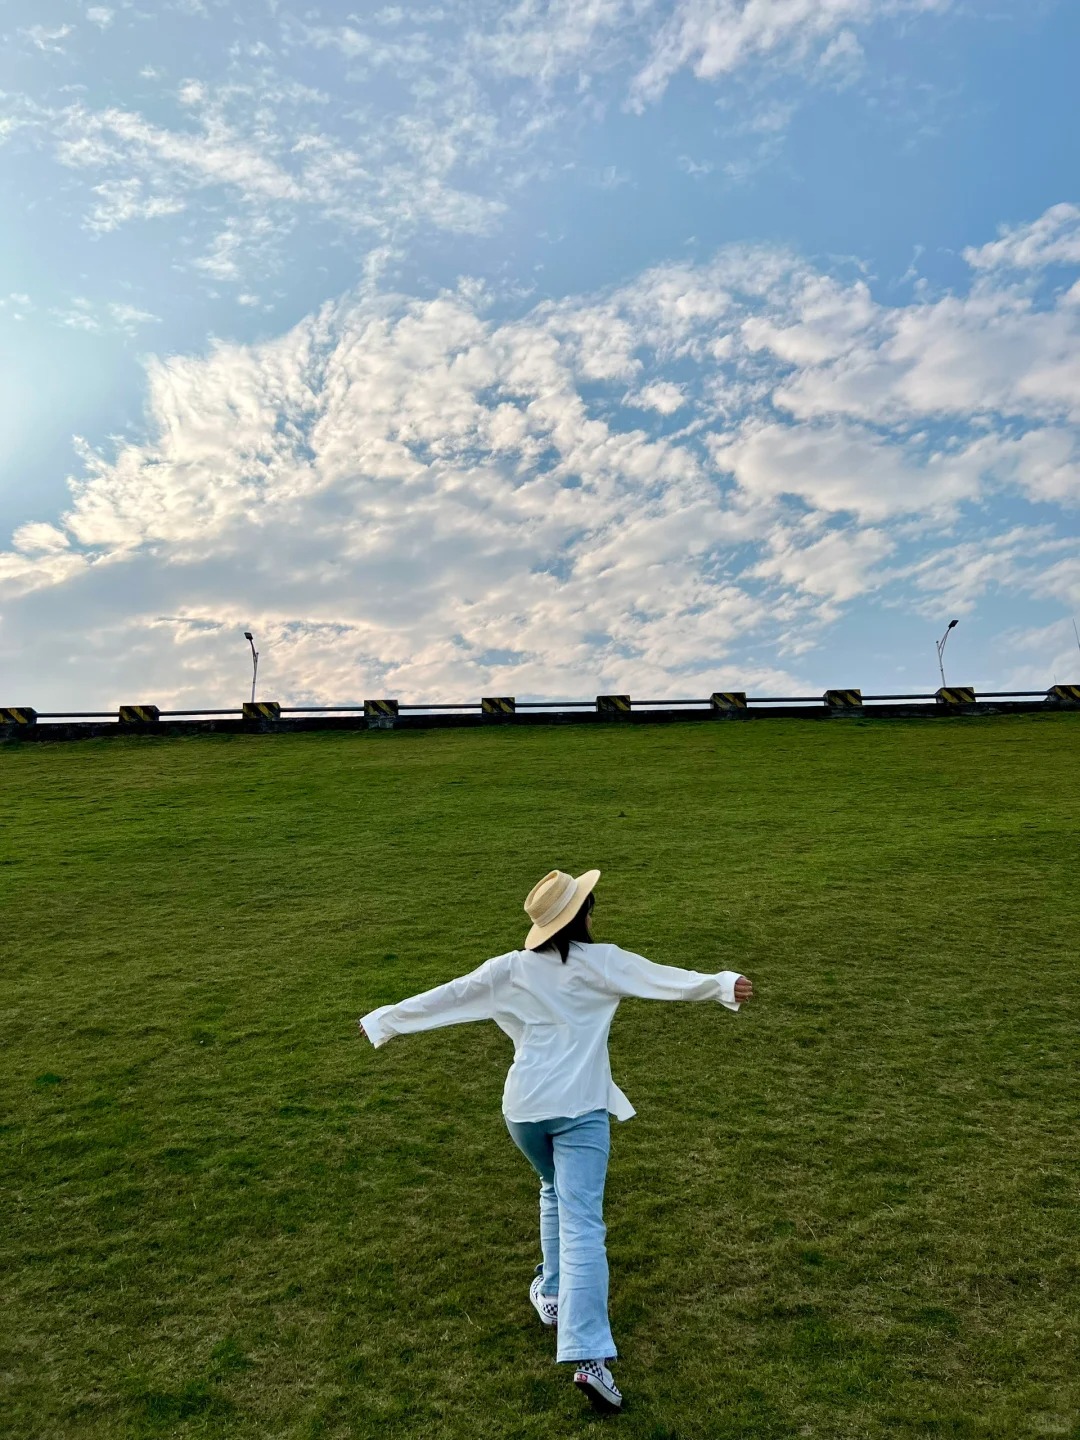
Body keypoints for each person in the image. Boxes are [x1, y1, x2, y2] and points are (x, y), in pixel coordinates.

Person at [357, 868, 753, 1414]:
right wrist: (722, 984)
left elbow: (448, 997)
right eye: (592, 906)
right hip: (580, 1111)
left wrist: (385, 1020)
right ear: (581, 915)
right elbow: (664, 979)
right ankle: (589, 1356)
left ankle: (551, 1293)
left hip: (523, 1112)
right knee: (584, 1224)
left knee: (552, 1188)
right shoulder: (602, 961)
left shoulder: (509, 970)